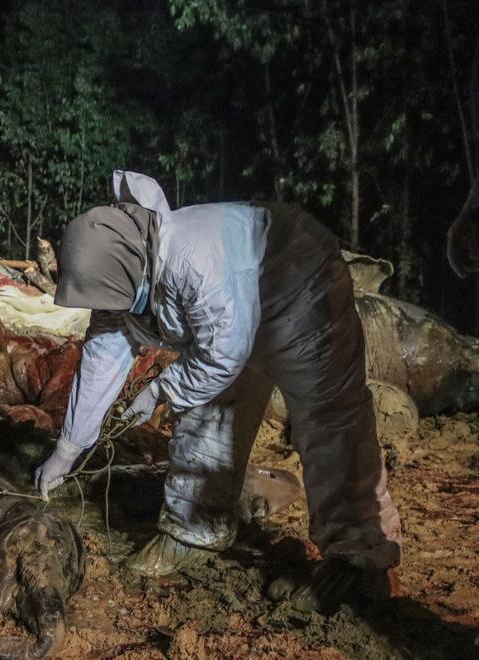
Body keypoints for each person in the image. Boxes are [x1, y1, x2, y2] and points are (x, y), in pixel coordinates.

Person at [35, 171, 402, 613]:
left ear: (128, 270)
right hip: (236, 315)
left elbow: (224, 353)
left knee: (329, 417)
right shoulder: (129, 270)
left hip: (299, 288)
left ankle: (359, 560)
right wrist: (70, 446)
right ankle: (195, 529)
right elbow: (103, 353)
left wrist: (160, 391)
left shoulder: (193, 259)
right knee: (213, 408)